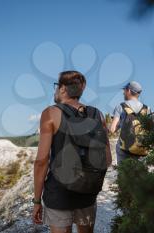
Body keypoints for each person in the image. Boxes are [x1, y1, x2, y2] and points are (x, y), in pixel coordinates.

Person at [32, 71, 112, 233]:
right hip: (87, 191)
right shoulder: (98, 115)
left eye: (56, 86)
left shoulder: (50, 113)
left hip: (59, 192)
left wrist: (36, 200)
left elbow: (41, 161)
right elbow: (107, 159)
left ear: (62, 89)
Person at [109, 81, 151, 164]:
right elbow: (150, 129)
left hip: (124, 150)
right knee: (140, 175)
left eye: (124, 90)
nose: (123, 93)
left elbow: (112, 129)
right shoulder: (147, 108)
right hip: (141, 149)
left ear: (128, 91)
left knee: (124, 174)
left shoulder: (120, 106)